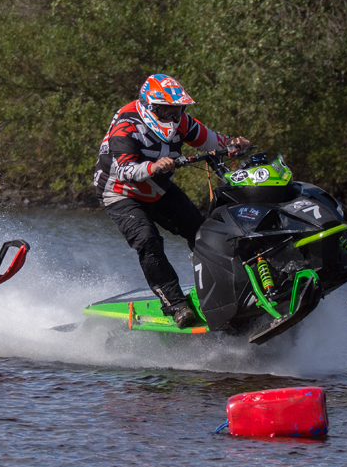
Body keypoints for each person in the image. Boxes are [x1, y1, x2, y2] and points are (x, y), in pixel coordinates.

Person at [94, 74, 250, 328]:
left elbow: (212, 140)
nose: (172, 116)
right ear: (149, 107)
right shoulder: (126, 127)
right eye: (166, 109)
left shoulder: (182, 122)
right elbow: (125, 171)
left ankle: (232, 287)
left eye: (176, 109)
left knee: (203, 233)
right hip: (120, 193)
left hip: (158, 188)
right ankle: (175, 305)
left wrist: (233, 144)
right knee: (148, 240)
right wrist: (153, 166)